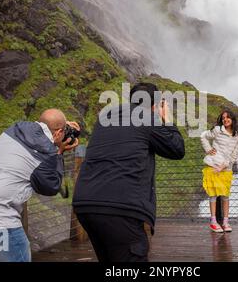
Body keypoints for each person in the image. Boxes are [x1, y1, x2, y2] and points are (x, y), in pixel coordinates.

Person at [72, 83, 185, 262]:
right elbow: (177, 149)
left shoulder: (106, 116)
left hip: (86, 204)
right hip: (120, 209)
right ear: (155, 104)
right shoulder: (147, 116)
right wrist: (166, 118)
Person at [0, 109, 80, 262]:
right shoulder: (47, 153)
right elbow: (51, 187)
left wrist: (59, 128)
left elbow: (44, 129)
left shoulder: (17, 128)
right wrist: (59, 152)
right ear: (60, 131)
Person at [200, 109, 238, 233]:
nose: (225, 120)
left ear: (232, 119)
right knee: (213, 195)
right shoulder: (218, 130)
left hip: (226, 168)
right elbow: (203, 135)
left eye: (228, 117)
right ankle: (213, 222)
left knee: (225, 196)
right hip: (213, 165)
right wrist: (208, 149)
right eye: (223, 118)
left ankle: (225, 221)